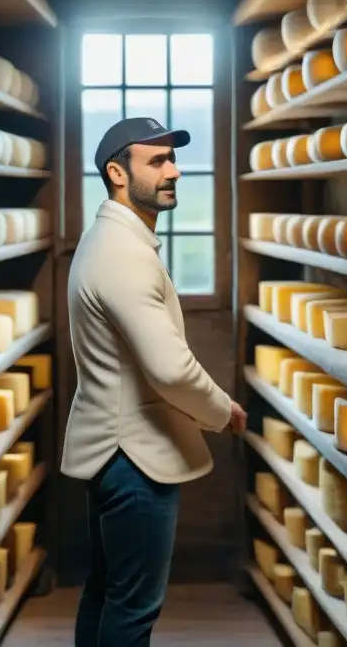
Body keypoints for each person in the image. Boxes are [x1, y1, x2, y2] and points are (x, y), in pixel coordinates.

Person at [61, 116, 248, 646]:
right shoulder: (123, 255)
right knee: (134, 605)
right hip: (132, 457)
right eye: (158, 161)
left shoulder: (111, 241)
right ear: (117, 173)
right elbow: (169, 367)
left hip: (115, 451)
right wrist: (220, 409)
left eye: (173, 159)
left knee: (108, 590)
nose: (175, 172)